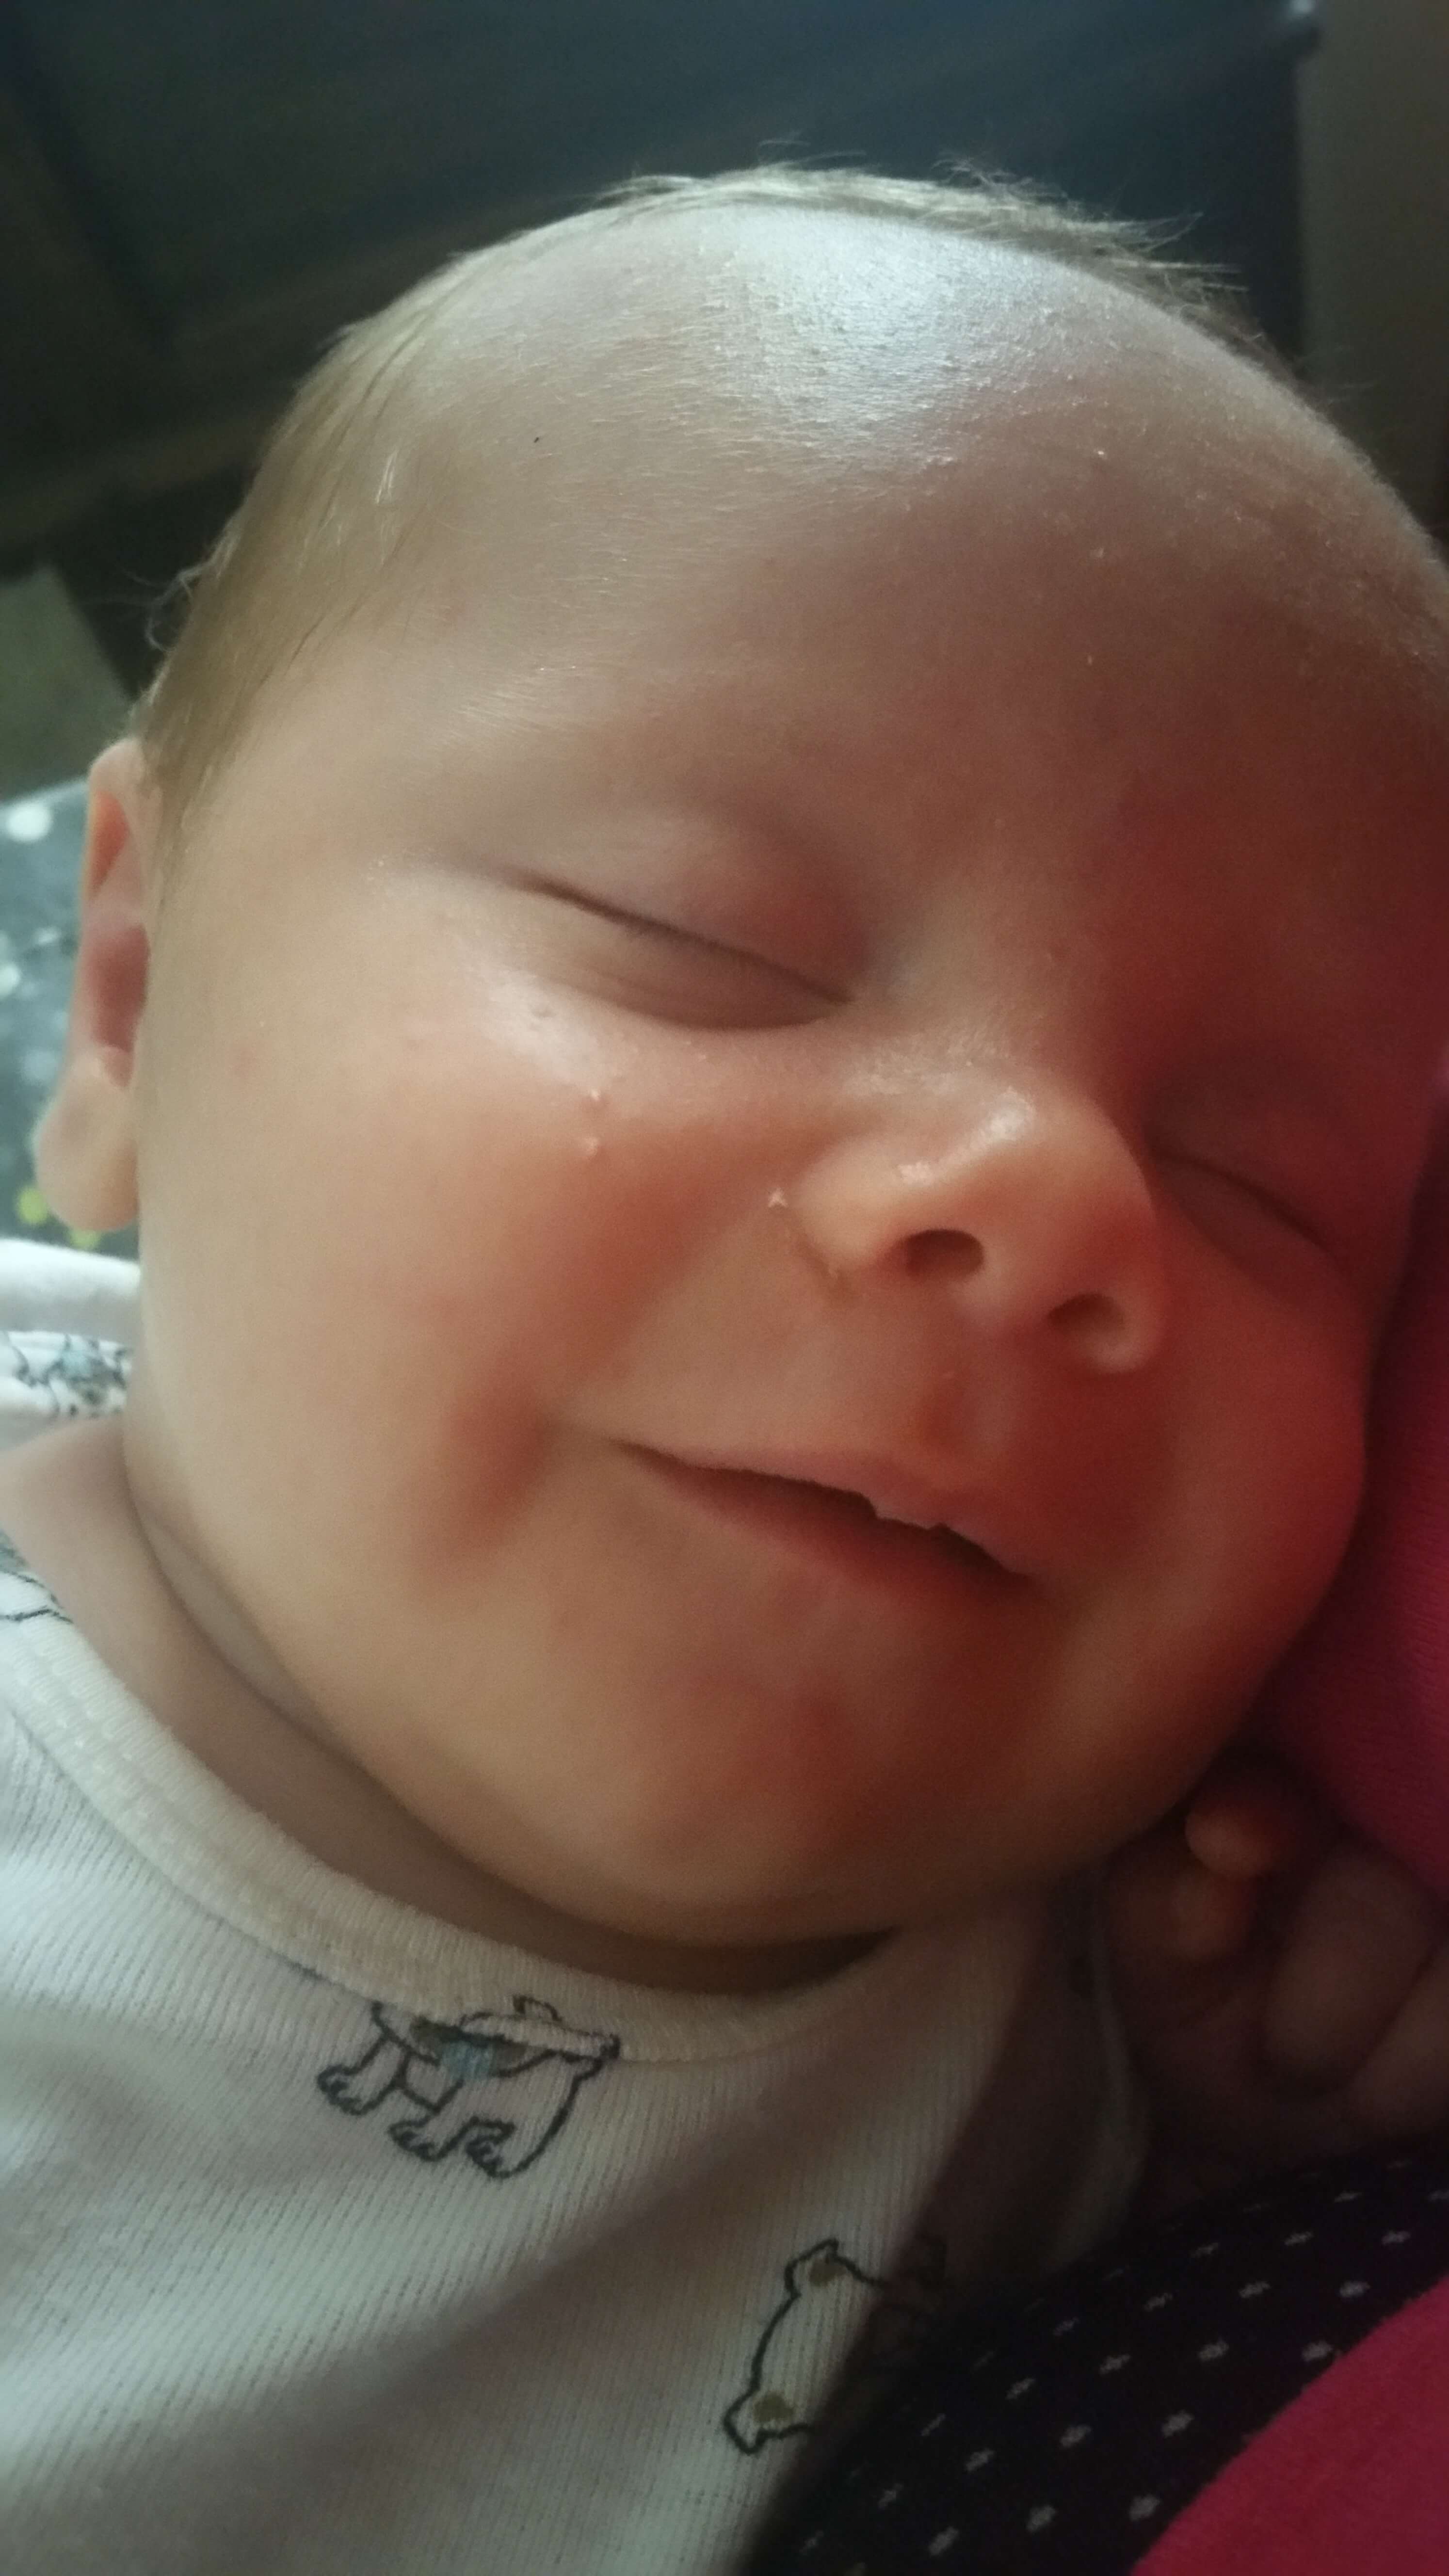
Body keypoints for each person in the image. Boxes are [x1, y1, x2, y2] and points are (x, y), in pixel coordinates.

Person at [5, 164, 1449, 2575]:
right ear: (136, 994)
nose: (1049, 1184)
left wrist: (1214, 2173)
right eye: (704, 935)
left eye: (1264, 1186)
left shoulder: (1081, 2004)